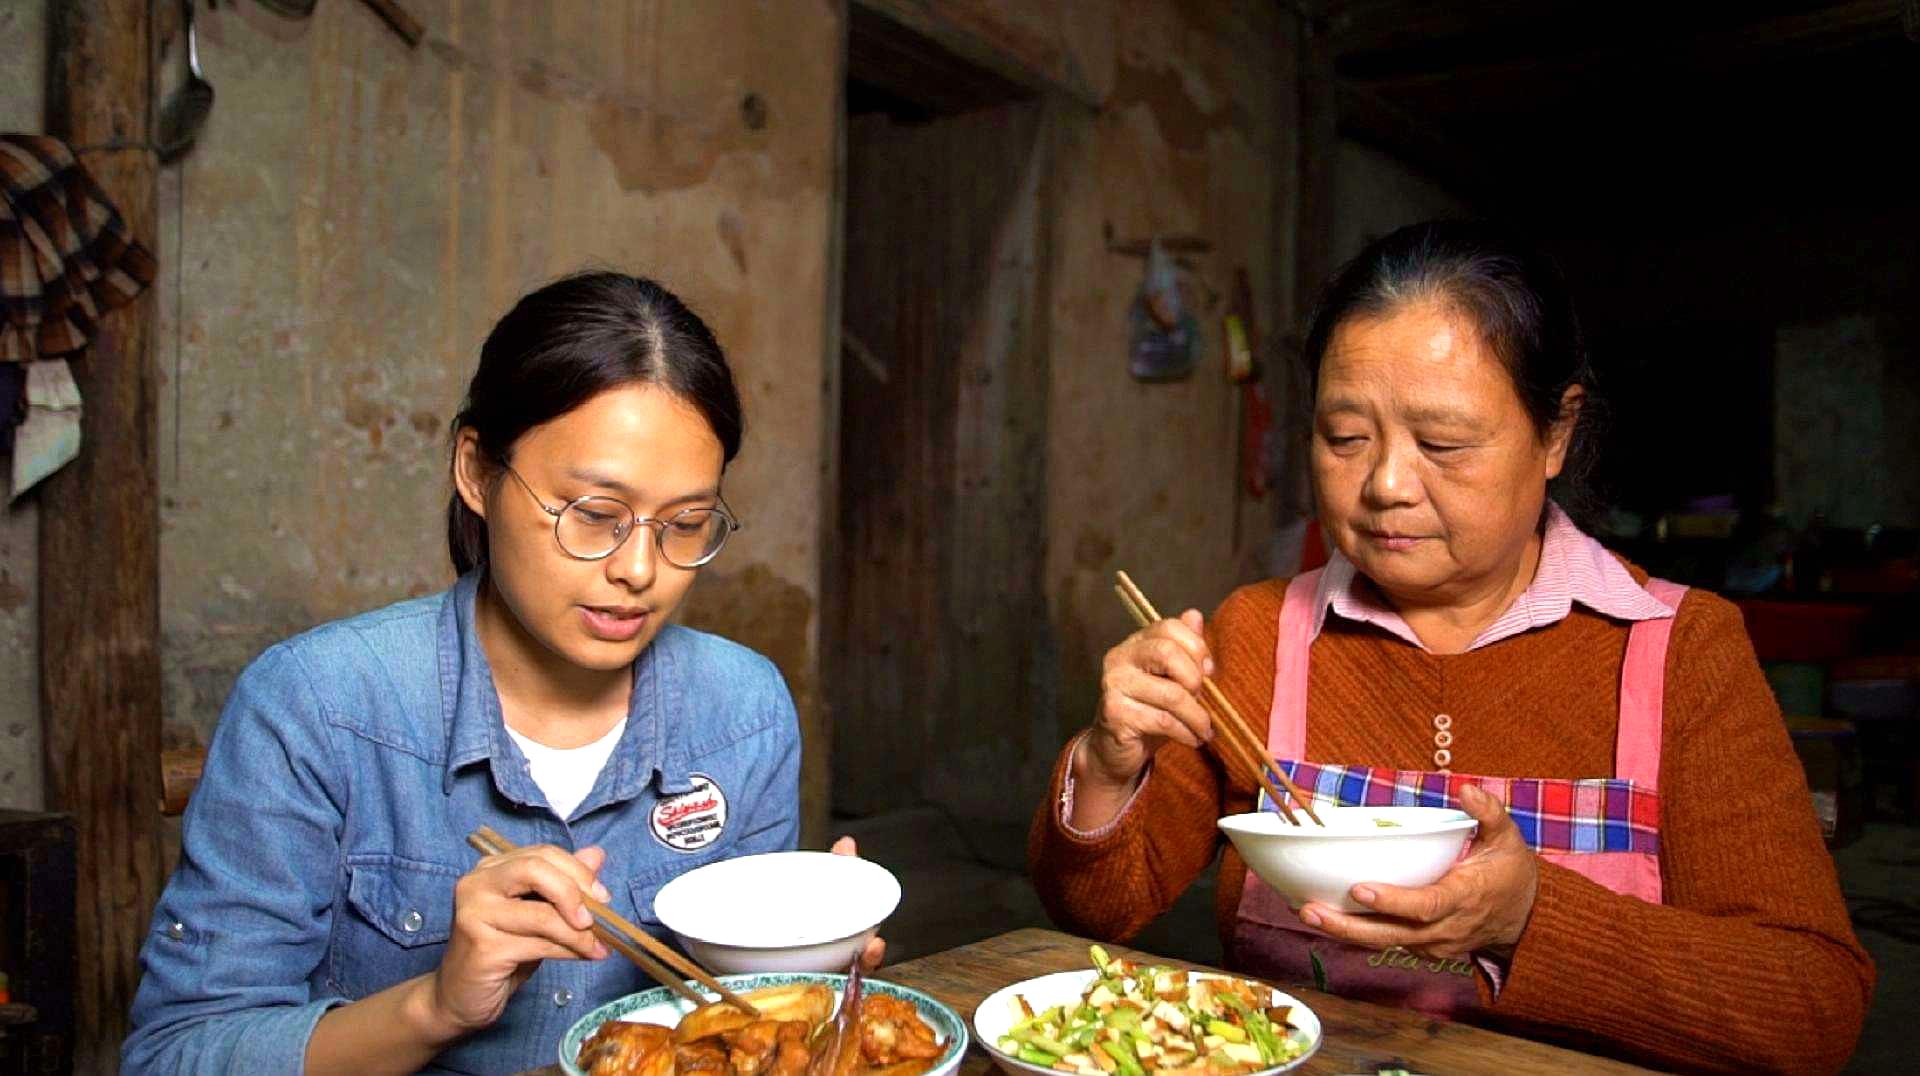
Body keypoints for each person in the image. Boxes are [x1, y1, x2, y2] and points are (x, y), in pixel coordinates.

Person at [1028, 221, 1874, 1073]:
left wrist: (1531, 921)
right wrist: (1109, 760)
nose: (1387, 484)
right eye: (1345, 438)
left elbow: (1811, 1011)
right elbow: (1098, 912)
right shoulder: (1260, 635)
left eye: (1443, 444)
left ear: (1555, 433)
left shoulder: (1680, 651)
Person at [124, 272, 879, 1074]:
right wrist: (435, 1006)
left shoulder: (743, 712)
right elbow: (175, 1054)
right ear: (477, 471)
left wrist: (802, 977)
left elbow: (735, 1037)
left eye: (687, 524)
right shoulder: (317, 706)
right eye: (593, 515)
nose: (640, 568)